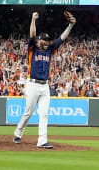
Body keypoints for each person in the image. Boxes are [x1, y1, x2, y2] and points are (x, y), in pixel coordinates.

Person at [13, 11, 76, 149]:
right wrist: (33, 19)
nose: (47, 42)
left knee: (44, 113)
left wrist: (71, 25)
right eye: (45, 40)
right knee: (28, 112)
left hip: (44, 86)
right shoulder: (32, 48)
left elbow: (62, 38)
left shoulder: (50, 49)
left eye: (48, 40)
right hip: (32, 84)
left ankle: (42, 140)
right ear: (39, 40)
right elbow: (32, 35)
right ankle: (18, 132)